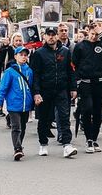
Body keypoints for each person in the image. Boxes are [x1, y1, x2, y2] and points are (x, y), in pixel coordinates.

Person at [31, 25, 78, 158]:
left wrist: (73, 87)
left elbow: (71, 71)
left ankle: (67, 145)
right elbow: (36, 74)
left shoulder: (65, 51)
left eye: (53, 34)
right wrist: (36, 92)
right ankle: (43, 144)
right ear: (44, 36)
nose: (51, 37)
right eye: (48, 34)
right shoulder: (39, 53)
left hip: (62, 90)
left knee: (64, 117)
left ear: (57, 36)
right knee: (44, 118)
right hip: (45, 91)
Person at [73, 22, 102, 153]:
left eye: (97, 34)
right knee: (87, 109)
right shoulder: (80, 46)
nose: (94, 37)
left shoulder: (101, 44)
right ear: (88, 32)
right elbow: (74, 64)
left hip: (99, 82)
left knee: (97, 112)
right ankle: (88, 138)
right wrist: (77, 81)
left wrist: (101, 33)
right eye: (92, 34)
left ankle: (94, 138)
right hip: (85, 82)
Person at [0, 46, 36, 160]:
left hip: (26, 105)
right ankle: (17, 148)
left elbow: (32, 86)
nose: (23, 57)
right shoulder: (10, 71)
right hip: (13, 104)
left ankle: (19, 146)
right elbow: (3, 88)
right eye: (21, 55)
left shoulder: (30, 71)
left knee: (23, 127)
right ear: (15, 56)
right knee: (16, 127)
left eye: (25, 55)